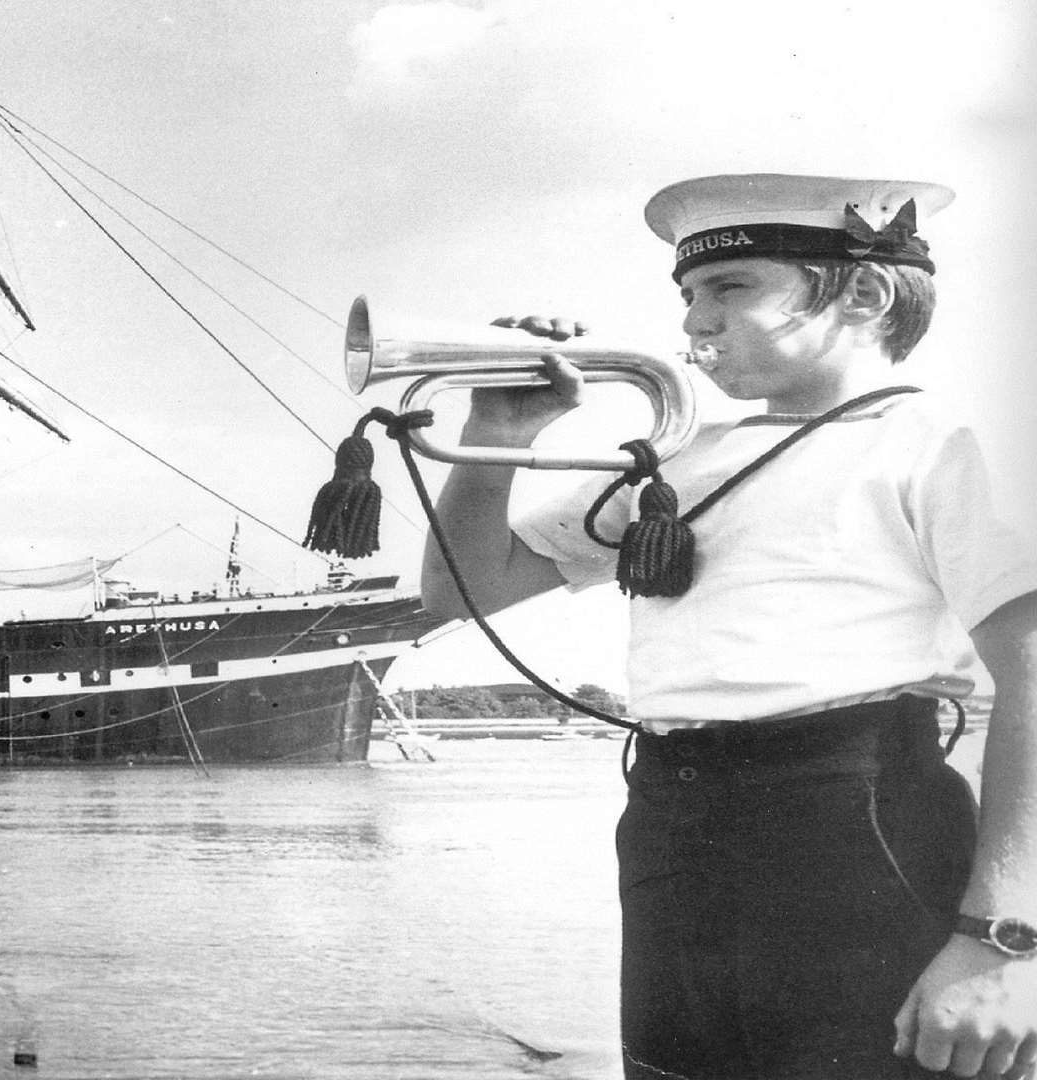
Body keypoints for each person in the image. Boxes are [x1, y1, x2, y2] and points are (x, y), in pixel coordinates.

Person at [418, 173, 1037, 1079]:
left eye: (730, 287)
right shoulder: (675, 459)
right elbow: (460, 591)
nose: (693, 322)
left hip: (859, 826)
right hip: (672, 832)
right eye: (688, 294)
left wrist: (1003, 941)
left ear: (863, 292)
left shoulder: (942, 441)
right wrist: (500, 431)